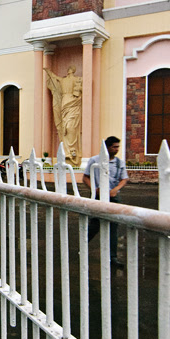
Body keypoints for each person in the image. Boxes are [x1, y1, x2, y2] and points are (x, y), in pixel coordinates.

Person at [82, 136, 129, 268]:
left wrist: (116, 189)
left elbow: (124, 179)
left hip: (113, 197)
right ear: (107, 147)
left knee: (113, 227)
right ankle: (82, 246)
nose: (117, 149)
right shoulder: (95, 160)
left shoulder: (119, 163)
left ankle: (112, 257)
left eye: (118, 146)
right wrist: (93, 189)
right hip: (98, 197)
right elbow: (85, 177)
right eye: (114, 146)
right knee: (95, 225)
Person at [44, 65, 82, 166]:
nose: (69, 70)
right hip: (64, 101)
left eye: (71, 69)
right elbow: (55, 78)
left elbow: (83, 88)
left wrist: (78, 90)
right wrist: (48, 71)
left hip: (73, 102)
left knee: (71, 126)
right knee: (64, 126)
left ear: (73, 70)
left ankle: (72, 150)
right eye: (68, 68)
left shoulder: (78, 79)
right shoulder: (63, 80)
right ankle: (67, 151)